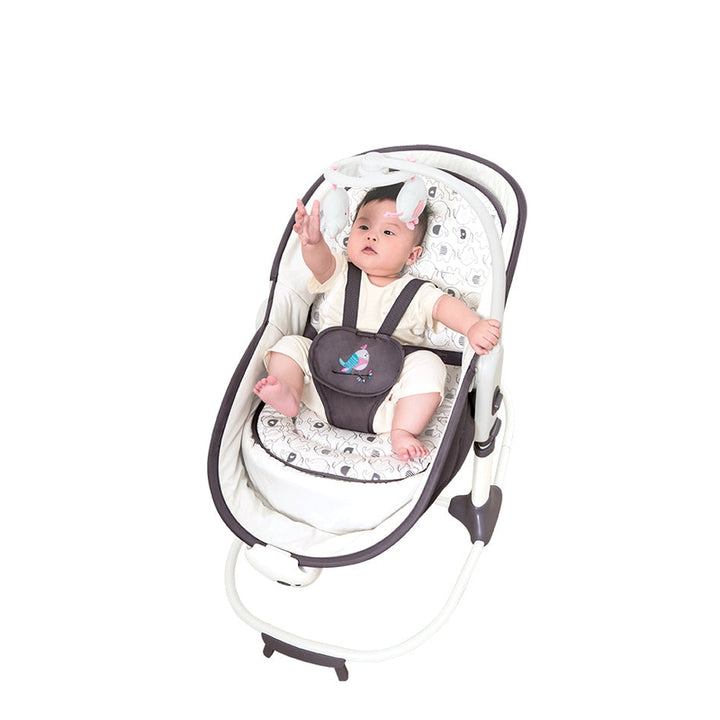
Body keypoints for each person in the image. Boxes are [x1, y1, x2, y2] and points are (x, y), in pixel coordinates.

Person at [254, 183, 501, 461]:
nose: (371, 236)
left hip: (387, 402)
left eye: (387, 232)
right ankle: (289, 391)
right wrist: (313, 243)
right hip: (321, 385)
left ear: (412, 255)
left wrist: (471, 326)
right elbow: (320, 264)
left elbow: (445, 306)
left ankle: (403, 430)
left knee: (428, 364)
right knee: (290, 345)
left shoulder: (416, 292)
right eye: (363, 227)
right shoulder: (340, 273)